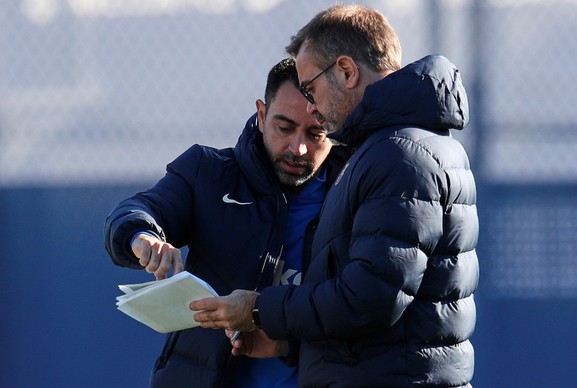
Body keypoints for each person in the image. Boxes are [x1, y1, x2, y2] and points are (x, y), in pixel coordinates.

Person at [190, 4, 479, 387]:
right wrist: (288, 345)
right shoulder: (392, 147)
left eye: (311, 89)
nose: (311, 106)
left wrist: (258, 308)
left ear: (346, 71)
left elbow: (370, 297)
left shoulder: (398, 155)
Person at [103, 57, 350, 387]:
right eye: (284, 127)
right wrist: (143, 237)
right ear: (261, 115)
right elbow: (136, 211)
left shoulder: (356, 193)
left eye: (316, 132)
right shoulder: (209, 173)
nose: (298, 147)